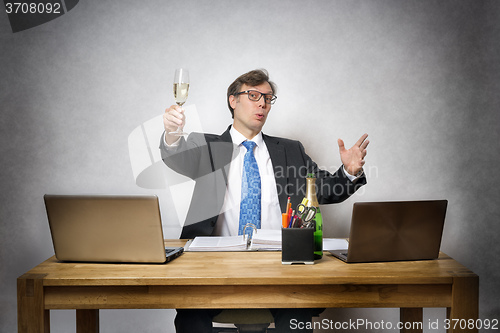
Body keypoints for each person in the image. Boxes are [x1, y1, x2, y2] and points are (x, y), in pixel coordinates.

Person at [160, 69, 369, 333]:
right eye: (254, 95)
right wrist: (171, 134)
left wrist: (349, 172)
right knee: (191, 315)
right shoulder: (206, 148)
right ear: (233, 100)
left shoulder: (290, 150)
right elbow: (175, 155)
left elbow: (326, 189)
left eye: (268, 98)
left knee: (297, 315)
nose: (262, 103)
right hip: (213, 266)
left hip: (281, 266)